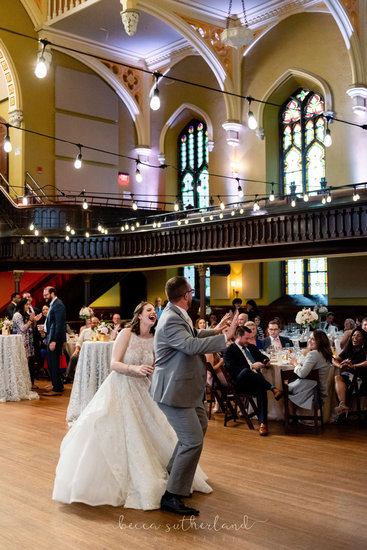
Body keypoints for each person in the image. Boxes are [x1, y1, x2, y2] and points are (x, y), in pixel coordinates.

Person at [53, 301, 212, 509]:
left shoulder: (155, 339)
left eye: (154, 312)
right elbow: (114, 364)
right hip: (121, 387)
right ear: (139, 315)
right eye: (149, 311)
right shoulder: (127, 333)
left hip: (144, 390)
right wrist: (134, 369)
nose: (153, 313)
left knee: (154, 430)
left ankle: (174, 476)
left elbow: (156, 366)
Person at [151, 276, 238, 516]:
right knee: (192, 439)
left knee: (199, 428)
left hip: (187, 388)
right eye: (191, 292)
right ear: (186, 295)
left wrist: (214, 330)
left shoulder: (176, 313)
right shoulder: (170, 319)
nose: (192, 295)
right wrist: (225, 338)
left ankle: (173, 472)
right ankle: (172, 496)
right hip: (173, 389)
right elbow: (189, 345)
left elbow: (190, 335)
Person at [223, 326, 283, 436]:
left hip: (254, 381)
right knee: (246, 370)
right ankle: (272, 388)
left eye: (250, 338)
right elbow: (232, 369)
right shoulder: (229, 351)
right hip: (239, 382)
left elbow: (262, 356)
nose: (249, 341)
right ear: (239, 336)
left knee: (261, 389)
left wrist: (265, 361)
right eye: (247, 338)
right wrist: (251, 366)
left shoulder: (250, 347)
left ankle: (263, 424)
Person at [288, 330, 332, 410]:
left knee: (283, 386)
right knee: (288, 383)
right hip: (321, 389)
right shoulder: (325, 353)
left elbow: (302, 373)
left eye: (313, 339)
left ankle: (291, 417)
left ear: (320, 342)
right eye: (309, 338)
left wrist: (295, 364)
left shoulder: (313, 354)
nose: (309, 341)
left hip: (313, 391)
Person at [333, 327, 367, 417]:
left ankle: (343, 406)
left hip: (363, 379)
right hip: (351, 377)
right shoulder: (349, 349)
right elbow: (333, 359)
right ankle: (343, 404)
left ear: (364, 340)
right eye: (354, 335)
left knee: (343, 379)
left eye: (358, 336)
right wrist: (340, 365)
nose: (355, 338)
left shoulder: (365, 349)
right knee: (337, 377)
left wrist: (353, 366)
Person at [43, 286, 66, 395]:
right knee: (52, 362)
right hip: (51, 337)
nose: (44, 297)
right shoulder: (53, 304)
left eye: (46, 295)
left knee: (54, 363)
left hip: (54, 338)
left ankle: (56, 388)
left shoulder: (58, 304)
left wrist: (54, 340)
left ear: (52, 293)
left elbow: (59, 324)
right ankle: (56, 384)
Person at [63, 316, 99, 383]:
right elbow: (79, 342)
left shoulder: (101, 332)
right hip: (84, 353)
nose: (95, 324)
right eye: (94, 323)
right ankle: (68, 377)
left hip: (96, 354)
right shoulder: (85, 331)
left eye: (97, 323)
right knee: (73, 357)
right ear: (90, 323)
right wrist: (77, 349)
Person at [12, 297, 37, 387]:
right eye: (26, 304)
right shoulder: (17, 315)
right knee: (22, 362)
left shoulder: (25, 313)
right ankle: (20, 384)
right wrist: (30, 320)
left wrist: (34, 321)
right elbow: (22, 328)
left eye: (29, 304)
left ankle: (26, 383)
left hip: (28, 340)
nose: (28, 306)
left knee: (26, 362)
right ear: (22, 305)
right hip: (21, 341)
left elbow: (30, 327)